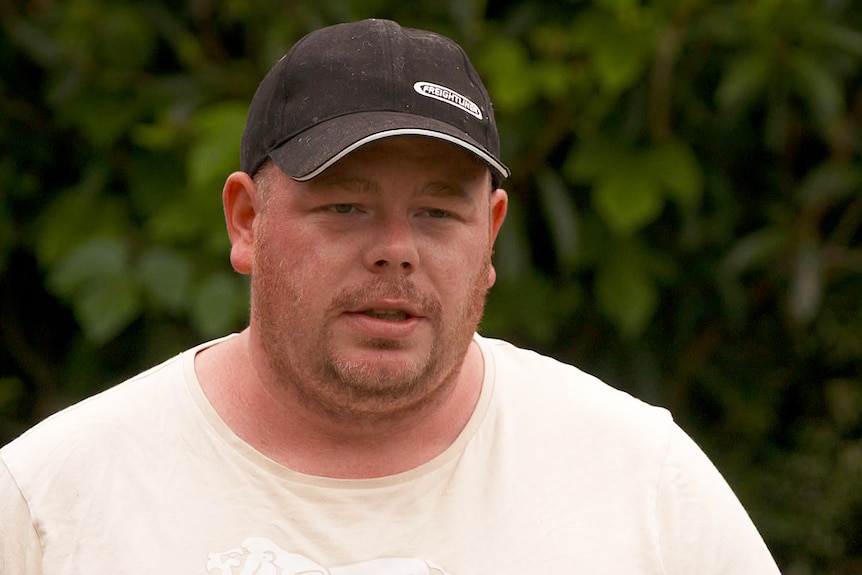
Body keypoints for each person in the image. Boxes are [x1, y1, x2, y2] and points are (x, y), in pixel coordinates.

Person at [0, 18, 780, 574]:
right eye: (345, 206)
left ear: (491, 235)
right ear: (246, 220)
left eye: (439, 212)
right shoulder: (49, 496)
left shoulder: (642, 481)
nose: (396, 251)